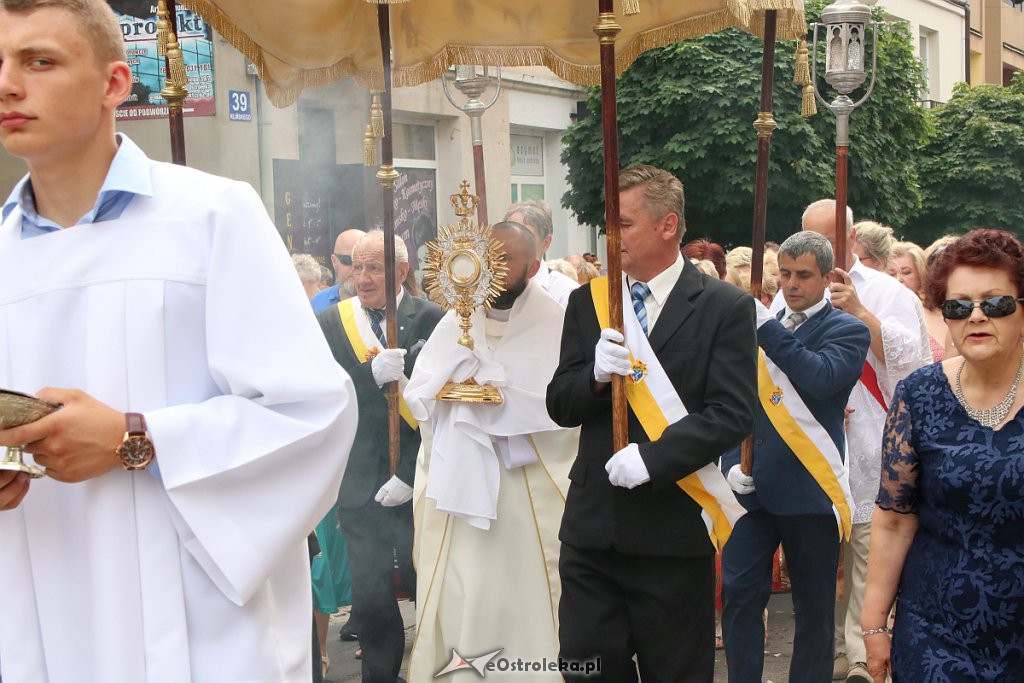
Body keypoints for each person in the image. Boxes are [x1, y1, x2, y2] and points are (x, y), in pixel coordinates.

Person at [0, 2, 358, 681]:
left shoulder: (211, 217)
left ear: (113, 84)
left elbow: (312, 415)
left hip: (195, 633)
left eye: (39, 61)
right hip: (32, 615)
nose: (8, 84)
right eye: (0, 63)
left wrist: (136, 437)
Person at [547, 165, 755, 682]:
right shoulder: (587, 302)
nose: (609, 236)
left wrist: (654, 457)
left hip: (672, 529)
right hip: (593, 532)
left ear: (667, 226)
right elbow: (559, 404)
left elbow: (732, 412)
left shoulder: (723, 307)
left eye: (624, 223)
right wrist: (594, 379)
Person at [405, 221, 578, 681]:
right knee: (466, 591)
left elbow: (567, 414)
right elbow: (420, 397)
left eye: (506, 263)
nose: (492, 272)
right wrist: (448, 388)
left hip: (528, 490)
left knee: (526, 597)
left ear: (535, 266)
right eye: (489, 259)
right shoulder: (454, 322)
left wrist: (506, 398)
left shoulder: (557, 324)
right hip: (465, 492)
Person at [863, 229, 1024, 683]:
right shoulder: (919, 394)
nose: (976, 316)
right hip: (936, 632)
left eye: (996, 304)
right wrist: (874, 624)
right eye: (958, 307)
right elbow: (894, 517)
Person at [721, 231, 871, 683]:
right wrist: (730, 463)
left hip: (810, 490)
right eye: (784, 273)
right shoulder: (756, 324)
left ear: (827, 278)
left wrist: (767, 330)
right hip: (752, 488)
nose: (791, 284)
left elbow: (821, 379)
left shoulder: (848, 329)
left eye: (803, 275)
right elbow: (736, 400)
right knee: (739, 596)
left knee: (813, 610)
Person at [791, 200, 930, 683]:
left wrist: (860, 313)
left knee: (869, 564)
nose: (813, 247)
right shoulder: (793, 288)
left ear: (850, 240)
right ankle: (822, 653)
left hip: (873, 444)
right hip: (816, 445)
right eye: (807, 234)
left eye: (825, 238)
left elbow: (914, 367)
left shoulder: (891, 293)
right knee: (819, 565)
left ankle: (859, 658)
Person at [316, 230, 443, 683]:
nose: (362, 277)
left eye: (375, 268)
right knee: (370, 598)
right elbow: (322, 394)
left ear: (402, 272)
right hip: (359, 482)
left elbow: (444, 411)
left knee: (428, 589)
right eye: (356, 265)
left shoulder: (434, 319)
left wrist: (408, 473)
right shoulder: (332, 322)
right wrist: (365, 374)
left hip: (420, 480)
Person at [505, 199, 578, 307]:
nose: (515, 243)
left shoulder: (566, 293)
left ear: (546, 243)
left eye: (525, 236)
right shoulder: (489, 288)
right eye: (510, 234)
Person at [311, 228, 367, 313]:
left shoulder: (384, 302)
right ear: (334, 261)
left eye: (362, 261)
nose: (354, 267)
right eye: (348, 260)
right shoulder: (316, 303)